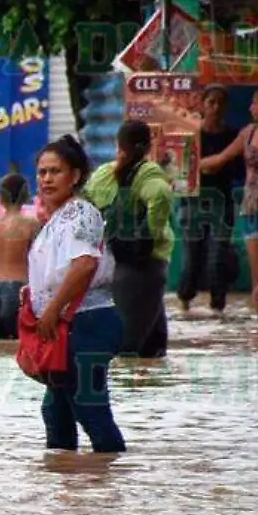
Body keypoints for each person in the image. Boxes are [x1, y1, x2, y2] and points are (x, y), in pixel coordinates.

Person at [27, 136, 126, 453]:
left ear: (76, 175)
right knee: (55, 411)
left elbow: (84, 265)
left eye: (55, 171)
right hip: (65, 326)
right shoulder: (57, 218)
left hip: (87, 324)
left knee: (91, 410)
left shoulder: (80, 213)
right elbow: (59, 269)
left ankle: (109, 483)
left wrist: (53, 308)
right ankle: (66, 488)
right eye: (42, 172)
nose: (46, 179)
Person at [85, 119, 173, 359]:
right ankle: (131, 394)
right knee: (131, 349)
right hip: (147, 267)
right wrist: (149, 234)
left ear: (118, 145)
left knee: (153, 348)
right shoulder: (150, 176)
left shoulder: (103, 175)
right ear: (147, 146)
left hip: (117, 262)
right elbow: (162, 198)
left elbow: (86, 202)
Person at [199, 88, 258, 318]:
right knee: (257, 279)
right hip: (252, 208)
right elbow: (221, 158)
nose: (250, 108)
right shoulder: (248, 133)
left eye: (254, 104)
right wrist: (188, 168)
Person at [185, 84, 241, 315]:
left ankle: (218, 308)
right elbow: (179, 167)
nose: (216, 107)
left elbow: (238, 170)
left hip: (222, 201)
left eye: (220, 103)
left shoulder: (233, 136)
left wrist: (218, 165)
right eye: (211, 102)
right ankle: (185, 303)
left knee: (219, 256)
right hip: (193, 202)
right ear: (202, 105)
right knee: (192, 257)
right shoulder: (191, 134)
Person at [0, 173, 37, 340]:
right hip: (17, 287)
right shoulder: (31, 224)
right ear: (25, 195)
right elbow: (38, 260)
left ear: (1, 197)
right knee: (17, 344)